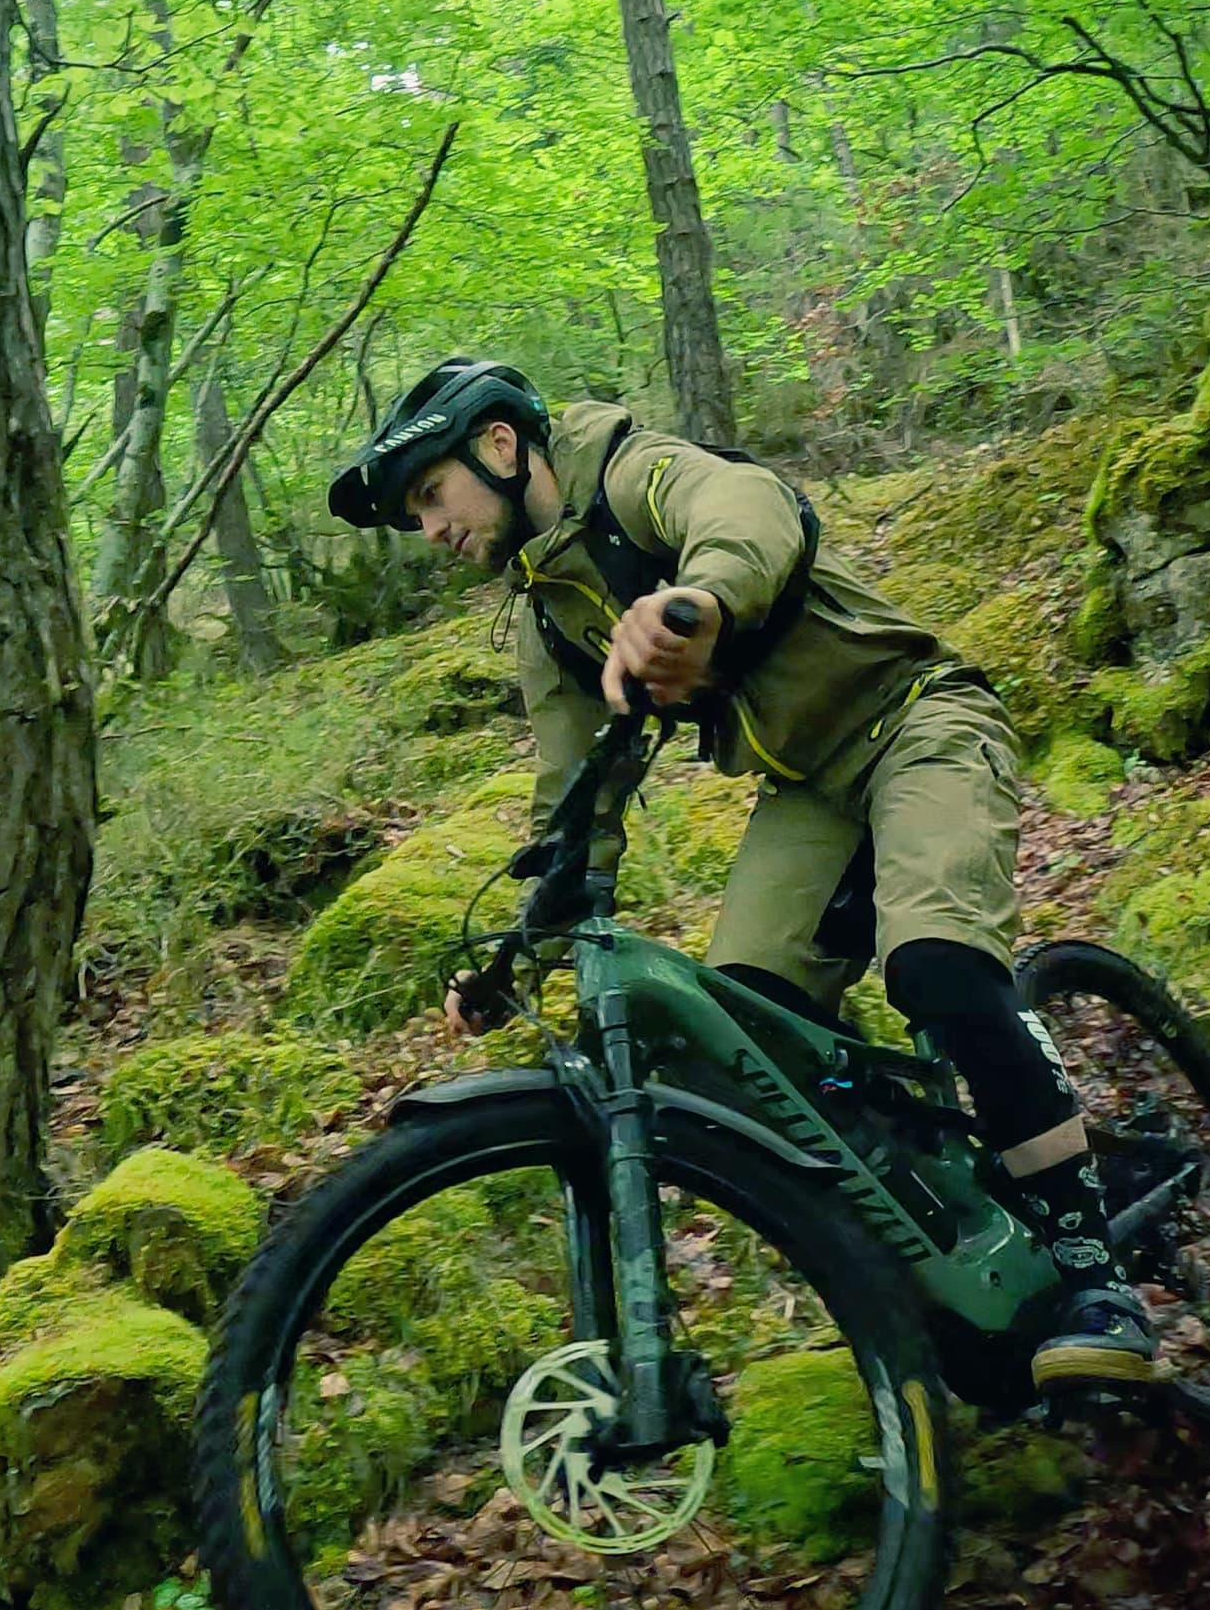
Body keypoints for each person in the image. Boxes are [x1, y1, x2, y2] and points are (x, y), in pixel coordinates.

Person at [328, 356, 1159, 1389]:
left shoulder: (632, 475)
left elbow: (751, 502)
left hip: (916, 720)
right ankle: (945, 1240)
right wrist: (519, 952)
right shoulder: (550, 616)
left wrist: (701, 598)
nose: (429, 529)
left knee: (938, 965)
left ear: (499, 447)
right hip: (807, 788)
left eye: (429, 495)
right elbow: (568, 810)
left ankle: (1092, 1267)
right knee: (751, 1043)